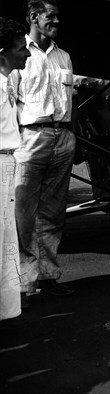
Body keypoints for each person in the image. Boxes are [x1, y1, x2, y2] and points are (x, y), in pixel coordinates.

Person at [13, 0, 77, 298]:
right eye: (49, 15)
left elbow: (72, 103)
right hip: (30, 137)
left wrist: (74, 138)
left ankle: (49, 276)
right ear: (33, 17)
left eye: (57, 15)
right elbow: (8, 102)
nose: (56, 21)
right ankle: (26, 281)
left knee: (53, 212)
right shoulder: (17, 55)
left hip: (63, 137)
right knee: (24, 213)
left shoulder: (64, 57)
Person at [0, 18, 31, 321]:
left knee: (7, 240)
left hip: (9, 159)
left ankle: (6, 309)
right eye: (21, 49)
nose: (27, 54)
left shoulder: (7, 81)